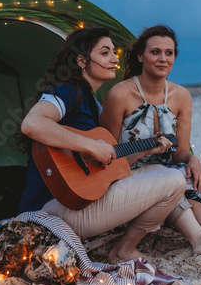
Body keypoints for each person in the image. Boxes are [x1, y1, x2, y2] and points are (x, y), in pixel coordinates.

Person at [18, 27, 187, 263]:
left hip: (79, 201)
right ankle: (123, 250)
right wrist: (90, 145)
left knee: (162, 171)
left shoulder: (93, 104)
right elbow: (32, 124)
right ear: (82, 61)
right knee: (175, 180)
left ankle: (125, 248)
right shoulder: (68, 90)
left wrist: (146, 149)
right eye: (105, 53)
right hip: (53, 208)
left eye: (114, 53)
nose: (115, 59)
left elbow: (106, 167)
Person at [101, 25, 201, 254]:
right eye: (155, 52)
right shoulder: (120, 94)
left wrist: (191, 159)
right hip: (129, 173)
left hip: (170, 170)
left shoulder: (181, 96)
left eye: (169, 53)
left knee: (198, 171)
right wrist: (145, 152)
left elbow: (181, 150)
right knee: (176, 177)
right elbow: (108, 153)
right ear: (141, 56)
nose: (163, 58)